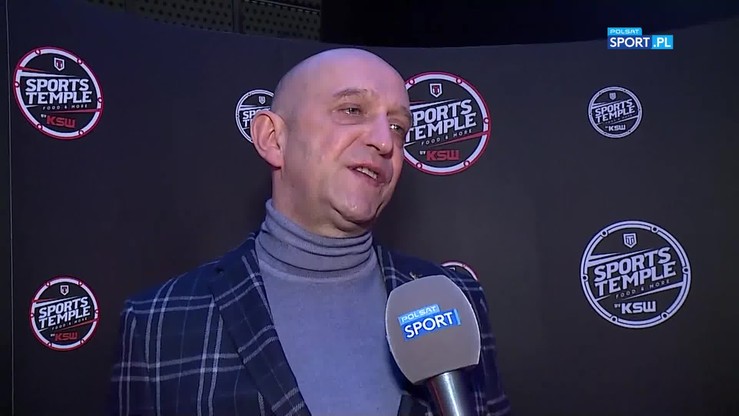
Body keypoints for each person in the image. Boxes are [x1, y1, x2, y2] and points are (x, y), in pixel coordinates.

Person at [108, 47, 511, 416]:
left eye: (398, 126)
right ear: (273, 139)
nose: (384, 141)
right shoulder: (159, 323)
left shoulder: (456, 301)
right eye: (352, 110)